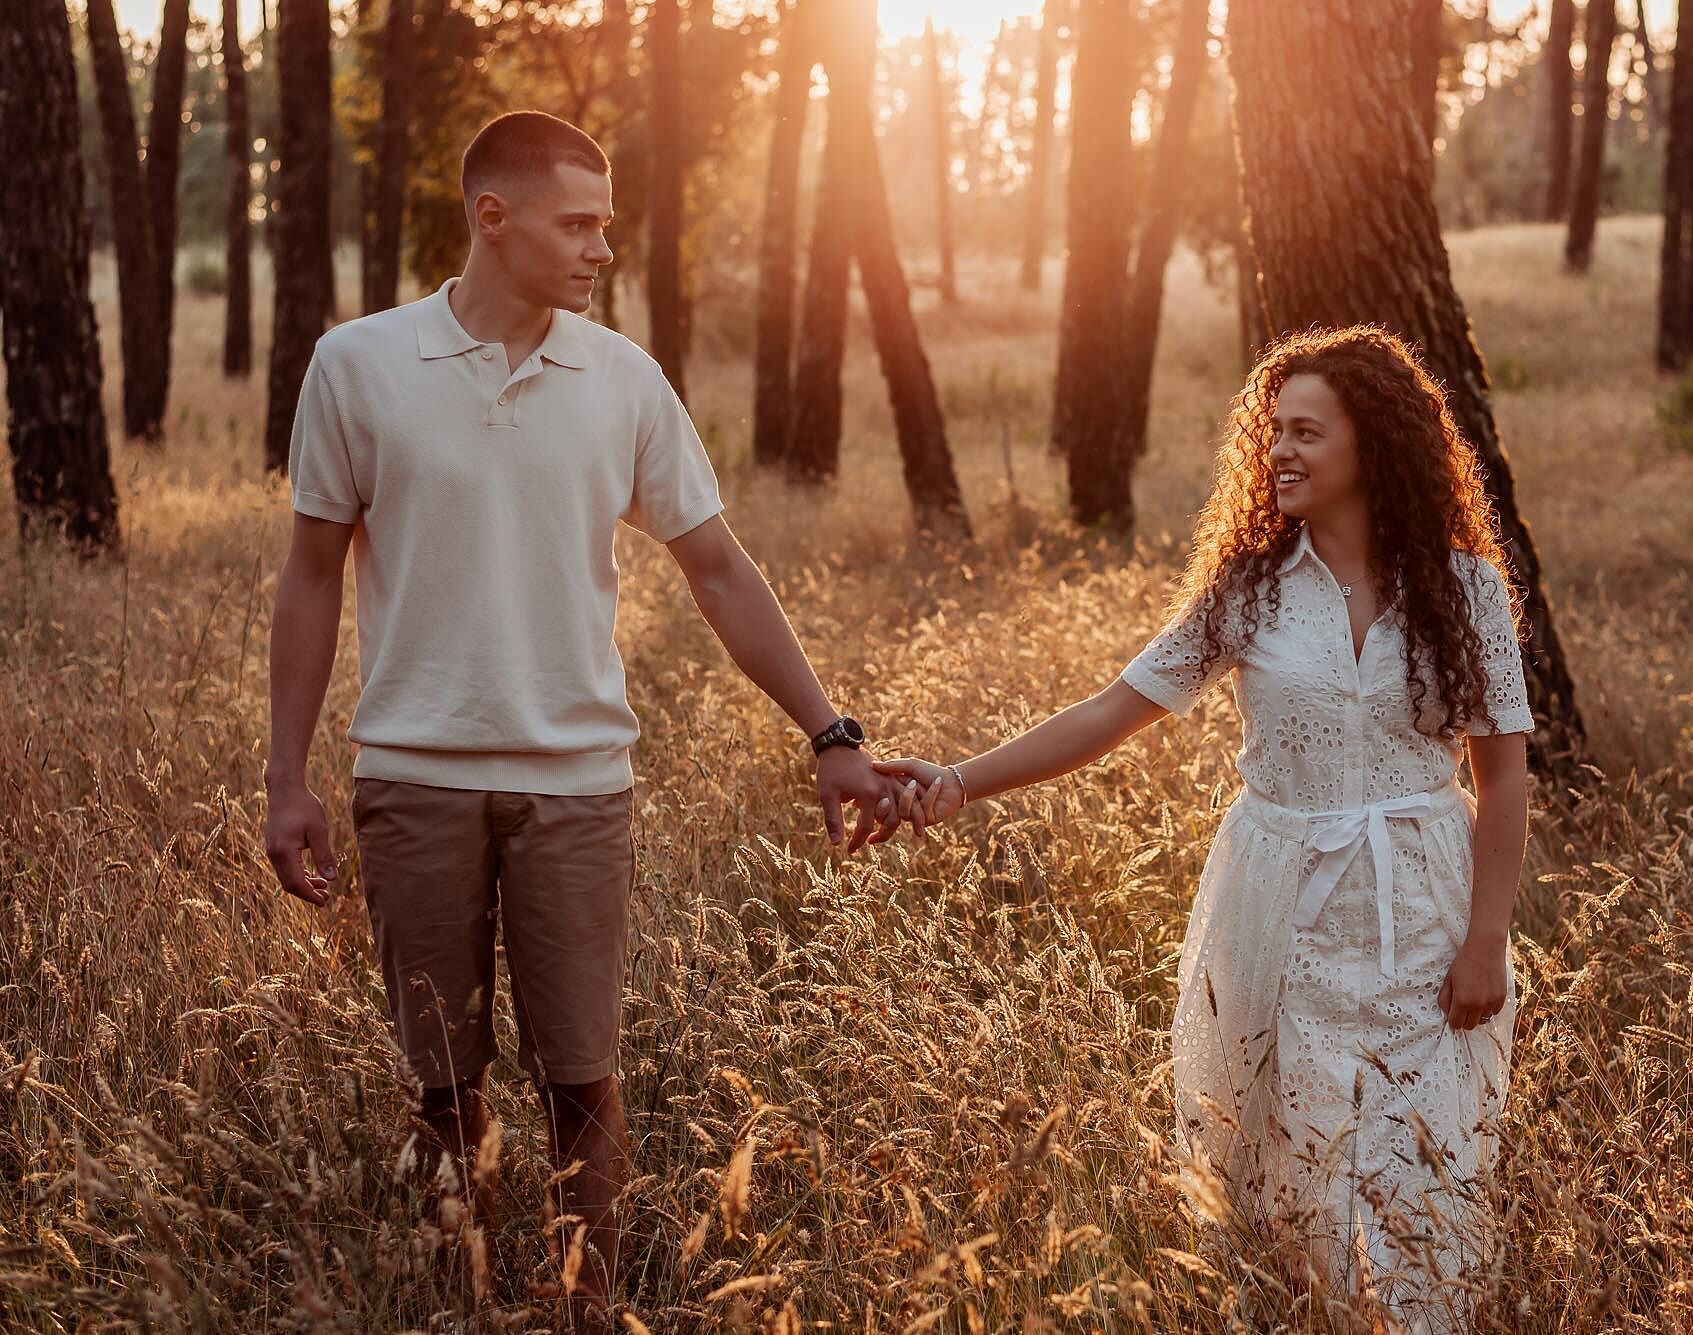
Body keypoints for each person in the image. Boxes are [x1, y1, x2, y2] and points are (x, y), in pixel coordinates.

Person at [260, 111, 915, 1328]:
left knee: (582, 1076)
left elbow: (718, 571)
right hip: (413, 778)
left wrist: (832, 736)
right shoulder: (358, 365)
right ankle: (456, 1298)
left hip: (577, 788)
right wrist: (284, 777)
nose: (601, 249)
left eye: (605, 226)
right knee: (442, 1084)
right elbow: (309, 575)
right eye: (577, 225)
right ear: (492, 219)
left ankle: (585, 1310)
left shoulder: (622, 380)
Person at [877, 325, 1533, 1330]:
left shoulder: (1465, 588)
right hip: (1277, 909)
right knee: (1293, 1169)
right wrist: (960, 782)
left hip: (1425, 910)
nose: (1280, 450)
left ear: (1373, 443)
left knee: (1424, 1177)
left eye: (1307, 431)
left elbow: (1502, 775)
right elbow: (1110, 712)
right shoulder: (1247, 591)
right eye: (1275, 430)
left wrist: (1486, 939)